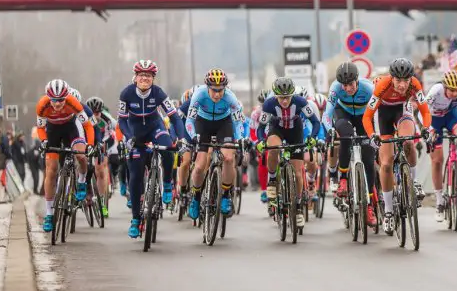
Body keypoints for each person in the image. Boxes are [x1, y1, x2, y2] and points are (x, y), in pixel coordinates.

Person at [118, 60, 187, 238]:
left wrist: (180, 139)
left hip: (155, 127)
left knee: (168, 148)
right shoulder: (126, 93)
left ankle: (166, 184)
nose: (144, 78)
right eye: (141, 75)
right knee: (135, 174)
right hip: (135, 133)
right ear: (135, 77)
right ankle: (135, 219)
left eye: (148, 76)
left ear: (153, 78)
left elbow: (175, 118)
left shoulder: (158, 93)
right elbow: (122, 120)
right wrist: (128, 137)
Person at [363, 58, 431, 236]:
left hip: (403, 111)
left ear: (410, 79)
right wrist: (372, 136)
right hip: (383, 115)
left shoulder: (414, 84)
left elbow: (424, 111)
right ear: (391, 78)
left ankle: (414, 183)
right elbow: (367, 117)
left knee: (409, 142)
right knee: (385, 163)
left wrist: (426, 128)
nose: (402, 85)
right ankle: (388, 212)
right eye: (398, 80)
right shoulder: (381, 86)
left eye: (405, 81)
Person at [257, 77, 320, 230]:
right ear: (275, 96)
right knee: (272, 149)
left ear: (292, 95)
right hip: (277, 129)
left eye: (287, 97)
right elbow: (261, 127)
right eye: (281, 97)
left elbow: (315, 122)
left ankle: (298, 206)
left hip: (295, 131)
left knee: (298, 173)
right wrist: (260, 141)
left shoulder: (300, 102)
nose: (284, 101)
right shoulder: (269, 104)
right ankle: (272, 180)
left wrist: (312, 138)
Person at [184, 69, 245, 220]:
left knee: (229, 159)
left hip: (223, 124)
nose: (217, 94)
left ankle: (225, 195)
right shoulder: (199, 94)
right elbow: (190, 121)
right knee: (199, 166)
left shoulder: (231, 97)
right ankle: (196, 197)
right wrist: (193, 136)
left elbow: (238, 122)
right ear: (207, 88)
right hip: (202, 124)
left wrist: (241, 138)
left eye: (220, 90)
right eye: (214, 90)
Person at [36, 79, 95, 232]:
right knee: (51, 170)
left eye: (61, 100)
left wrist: (90, 145)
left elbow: (87, 125)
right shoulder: (42, 105)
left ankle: (81, 182)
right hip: (52, 130)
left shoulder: (73, 102)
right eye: (54, 100)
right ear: (49, 97)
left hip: (71, 128)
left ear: (66, 96)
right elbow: (41, 128)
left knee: (81, 156)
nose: (57, 104)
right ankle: (49, 214)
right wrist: (43, 141)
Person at [322, 62, 376, 226]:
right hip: (343, 113)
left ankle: (369, 205)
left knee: (368, 159)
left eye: (351, 84)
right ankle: (343, 178)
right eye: (344, 85)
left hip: (363, 117)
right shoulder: (335, 88)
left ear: (357, 80)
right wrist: (330, 129)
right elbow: (327, 114)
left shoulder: (368, 88)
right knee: (345, 137)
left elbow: (378, 111)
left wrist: (376, 133)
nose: (348, 89)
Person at [425, 70, 457, 222]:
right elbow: (423, 111)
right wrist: (429, 130)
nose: (455, 93)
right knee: (437, 161)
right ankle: (439, 201)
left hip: (451, 116)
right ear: (444, 86)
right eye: (452, 90)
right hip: (434, 119)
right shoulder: (436, 91)